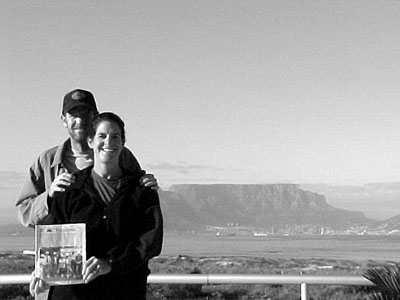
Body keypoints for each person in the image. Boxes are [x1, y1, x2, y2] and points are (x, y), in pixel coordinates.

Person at [31, 112, 163, 300]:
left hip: (125, 292)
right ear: (91, 141)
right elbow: (53, 236)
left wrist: (111, 264)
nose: (109, 142)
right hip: (73, 295)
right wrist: (42, 270)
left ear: (123, 143)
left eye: (115, 137)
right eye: (102, 136)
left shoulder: (142, 191)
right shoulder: (70, 189)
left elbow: (150, 243)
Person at [16, 89, 158, 227]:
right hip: (65, 246)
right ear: (64, 120)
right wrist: (49, 196)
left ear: (95, 117)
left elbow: (140, 199)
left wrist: (149, 185)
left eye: (85, 113)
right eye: (73, 115)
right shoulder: (46, 161)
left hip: (113, 248)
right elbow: (24, 213)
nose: (79, 120)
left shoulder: (121, 155)